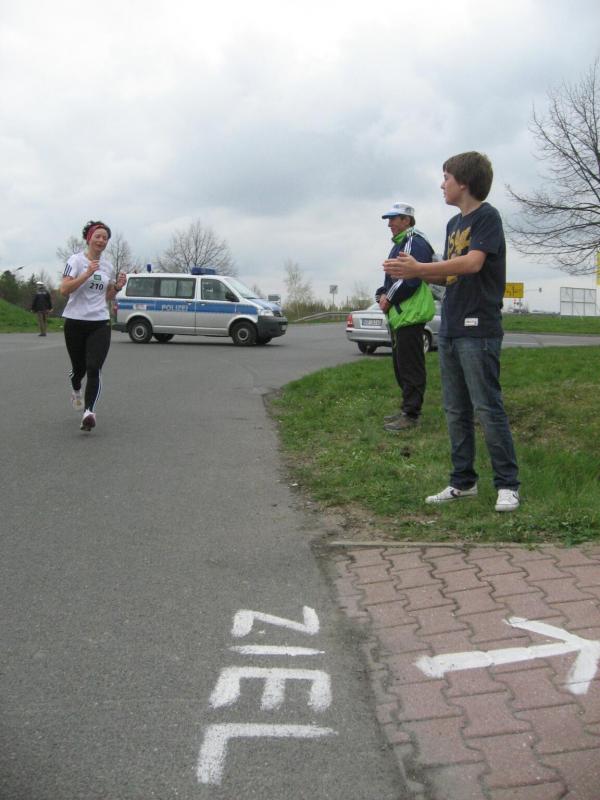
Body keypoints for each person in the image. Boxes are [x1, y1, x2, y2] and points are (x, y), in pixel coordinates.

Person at [383, 152, 520, 512]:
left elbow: (472, 263)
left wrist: (420, 267)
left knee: (487, 408)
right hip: (451, 327)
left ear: (464, 181)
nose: (441, 184)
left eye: (446, 177)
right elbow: (449, 275)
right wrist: (413, 272)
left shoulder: (487, 217)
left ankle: (508, 485)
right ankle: (463, 482)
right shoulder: (451, 225)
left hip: (479, 327)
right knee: (455, 410)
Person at [60, 220, 126, 432]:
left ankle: (89, 412)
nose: (101, 240)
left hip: (99, 322)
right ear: (89, 239)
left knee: (94, 367)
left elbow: (105, 296)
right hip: (75, 322)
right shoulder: (76, 260)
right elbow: (64, 289)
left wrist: (117, 287)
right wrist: (86, 273)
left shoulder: (107, 266)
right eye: (98, 236)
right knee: (79, 369)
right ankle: (76, 388)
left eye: (105, 238)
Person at [376, 202, 434, 431]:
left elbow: (410, 278)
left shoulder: (413, 242)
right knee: (401, 366)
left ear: (407, 220)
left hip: (411, 313)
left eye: (393, 219)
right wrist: (381, 293)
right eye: (388, 220)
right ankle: (406, 409)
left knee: (411, 366)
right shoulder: (400, 244)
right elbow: (391, 279)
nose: (389, 224)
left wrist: (388, 298)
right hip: (400, 316)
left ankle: (411, 414)